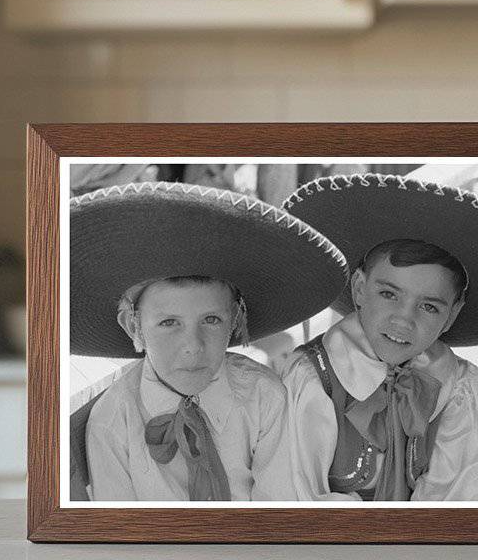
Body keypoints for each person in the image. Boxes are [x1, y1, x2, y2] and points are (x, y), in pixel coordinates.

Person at [68, 180, 348, 502]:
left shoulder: (263, 396)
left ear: (235, 320)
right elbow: (122, 531)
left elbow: (278, 508)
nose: (193, 346)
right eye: (169, 323)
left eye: (211, 320)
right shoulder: (112, 421)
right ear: (134, 327)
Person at [280, 173, 478, 502]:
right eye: (389, 294)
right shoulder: (311, 378)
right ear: (359, 289)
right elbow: (290, 497)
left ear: (451, 315)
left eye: (429, 307)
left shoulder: (462, 392)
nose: (404, 320)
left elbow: (462, 504)